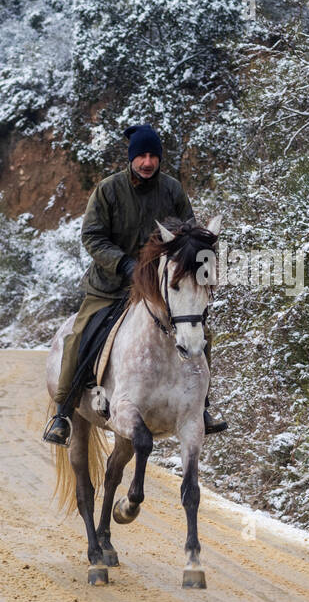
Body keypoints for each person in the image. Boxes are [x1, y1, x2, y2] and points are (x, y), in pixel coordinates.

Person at [42, 123, 226, 445]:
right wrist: (124, 264)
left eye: (153, 155)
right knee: (79, 335)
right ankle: (63, 413)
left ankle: (203, 407)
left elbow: (189, 236)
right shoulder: (108, 190)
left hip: (159, 288)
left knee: (200, 332)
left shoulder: (172, 190)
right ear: (131, 158)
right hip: (111, 286)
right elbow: (92, 237)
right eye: (141, 155)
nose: (147, 162)